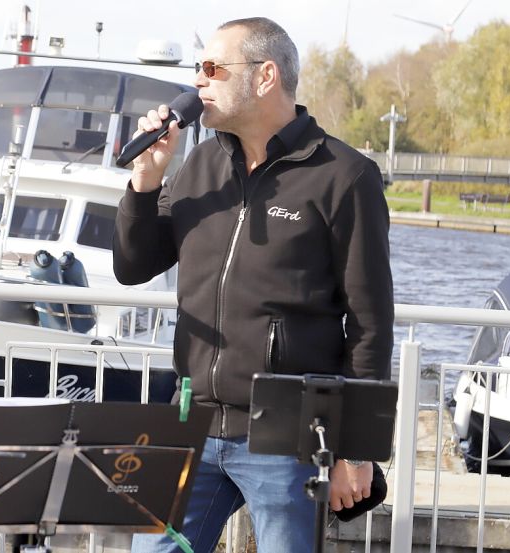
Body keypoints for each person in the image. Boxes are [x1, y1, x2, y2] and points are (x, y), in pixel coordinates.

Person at [113, 18, 394, 553]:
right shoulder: (200, 164)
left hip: (285, 434)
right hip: (190, 421)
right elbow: (133, 265)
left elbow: (370, 322)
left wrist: (356, 451)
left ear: (265, 77)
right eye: (198, 69)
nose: (199, 82)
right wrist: (145, 182)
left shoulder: (344, 176)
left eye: (213, 68)